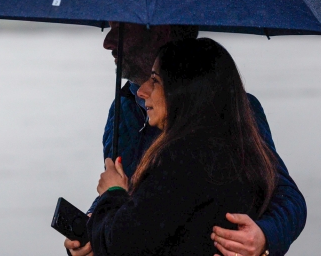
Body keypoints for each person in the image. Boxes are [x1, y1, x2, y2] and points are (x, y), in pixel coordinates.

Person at [64, 23, 305, 256]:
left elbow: (284, 194)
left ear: (160, 31)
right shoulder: (122, 109)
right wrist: (90, 228)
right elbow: (125, 191)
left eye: (121, 29)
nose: (108, 42)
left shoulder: (233, 108)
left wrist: (264, 237)